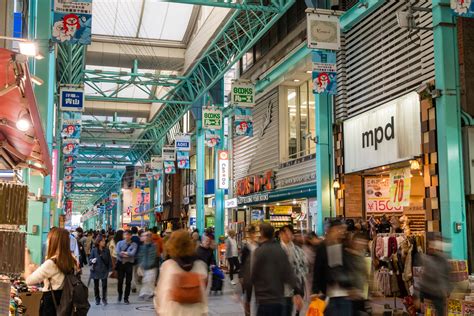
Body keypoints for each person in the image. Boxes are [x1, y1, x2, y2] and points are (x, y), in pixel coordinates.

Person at [251, 223, 303, 316]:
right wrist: (297, 291)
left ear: (262, 233)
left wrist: (247, 295)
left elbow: (253, 274)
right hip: (278, 297)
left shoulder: (259, 251)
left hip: (264, 299)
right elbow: (288, 273)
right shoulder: (280, 250)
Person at [154, 230, 208, 316]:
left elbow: (161, 292)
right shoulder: (200, 265)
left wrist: (159, 310)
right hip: (195, 312)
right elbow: (203, 292)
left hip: (173, 311)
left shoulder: (168, 266)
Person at [25, 228, 77, 315]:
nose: (47, 241)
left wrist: (26, 258)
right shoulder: (71, 259)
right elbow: (55, 273)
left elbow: (29, 281)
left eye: (49, 238)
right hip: (65, 302)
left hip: (51, 305)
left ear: (54, 241)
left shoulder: (51, 263)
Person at [312, 220, 353, 315]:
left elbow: (350, 267)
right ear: (331, 230)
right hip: (328, 295)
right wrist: (315, 290)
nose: (342, 231)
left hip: (345, 294)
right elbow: (317, 269)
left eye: (343, 229)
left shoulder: (345, 247)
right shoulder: (322, 247)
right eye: (339, 229)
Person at [419, 236, 452, 316]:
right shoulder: (432, 259)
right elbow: (443, 276)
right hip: (434, 291)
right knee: (438, 311)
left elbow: (444, 275)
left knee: (431, 310)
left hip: (432, 291)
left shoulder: (432, 259)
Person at [279, 225, 308, 316]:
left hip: (293, 291)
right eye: (285, 232)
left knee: (289, 311)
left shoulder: (298, 251)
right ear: (280, 234)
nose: (287, 235)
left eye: (289, 233)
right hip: (278, 290)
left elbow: (304, 268)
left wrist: (298, 290)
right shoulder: (276, 249)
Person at [239, 225, 259, 316]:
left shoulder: (259, 246)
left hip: (258, 275)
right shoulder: (246, 247)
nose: (253, 235)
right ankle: (247, 314)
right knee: (248, 297)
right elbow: (242, 263)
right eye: (251, 233)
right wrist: (241, 275)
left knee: (259, 297)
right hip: (248, 275)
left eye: (254, 233)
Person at [116, 230, 138, 304]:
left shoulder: (134, 244)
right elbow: (118, 252)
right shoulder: (119, 243)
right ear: (123, 235)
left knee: (128, 282)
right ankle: (120, 294)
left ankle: (126, 298)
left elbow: (133, 253)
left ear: (131, 236)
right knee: (120, 281)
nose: (127, 236)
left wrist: (125, 253)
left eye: (128, 235)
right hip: (120, 264)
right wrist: (127, 254)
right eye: (125, 235)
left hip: (129, 264)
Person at [89, 235, 112, 305]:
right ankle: (97, 299)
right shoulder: (94, 250)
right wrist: (92, 260)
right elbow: (89, 260)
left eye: (104, 241)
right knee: (96, 286)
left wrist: (110, 270)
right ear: (98, 242)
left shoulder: (107, 250)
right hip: (96, 270)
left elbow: (109, 261)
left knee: (104, 285)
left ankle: (104, 299)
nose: (104, 242)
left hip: (104, 270)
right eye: (102, 241)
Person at [138, 231, 157, 300]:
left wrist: (147, 265)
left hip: (151, 267)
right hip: (145, 267)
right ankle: (146, 293)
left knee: (149, 281)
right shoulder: (142, 246)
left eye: (145, 236)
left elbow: (152, 257)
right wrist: (141, 265)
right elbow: (140, 256)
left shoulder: (153, 246)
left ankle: (150, 293)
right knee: (146, 281)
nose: (143, 237)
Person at [130, 226, 141, 293]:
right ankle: (134, 285)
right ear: (137, 231)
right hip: (137, 258)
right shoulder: (139, 239)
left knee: (131, 272)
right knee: (135, 273)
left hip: (131, 257)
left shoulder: (130, 239)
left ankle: (133, 286)